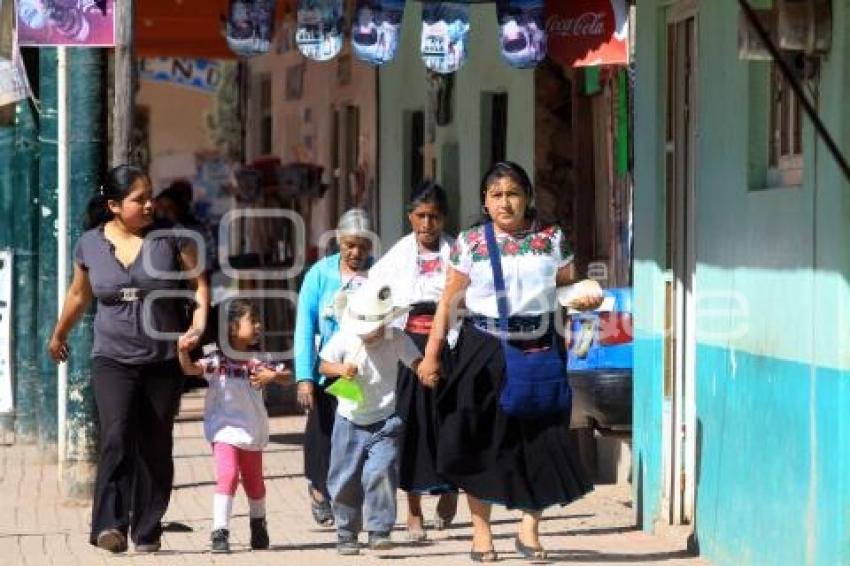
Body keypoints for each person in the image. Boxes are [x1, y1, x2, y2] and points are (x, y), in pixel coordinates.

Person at [416, 161, 604, 562]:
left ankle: (529, 529)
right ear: (485, 202)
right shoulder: (470, 244)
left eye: (514, 194)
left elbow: (568, 287)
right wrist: (431, 355)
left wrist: (586, 297)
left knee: (540, 434)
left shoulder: (552, 240)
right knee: (475, 435)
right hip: (481, 348)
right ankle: (481, 533)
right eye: (496, 195)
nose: (506, 202)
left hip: (538, 346)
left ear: (528, 198)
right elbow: (449, 301)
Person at [48, 165, 209, 554]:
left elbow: (200, 284)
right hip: (112, 358)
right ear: (115, 205)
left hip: (162, 359)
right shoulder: (89, 243)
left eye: (150, 195)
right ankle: (110, 526)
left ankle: (148, 528)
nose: (149, 204)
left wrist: (199, 324)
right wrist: (59, 334)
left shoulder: (171, 240)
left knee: (155, 443)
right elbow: (77, 294)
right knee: (116, 436)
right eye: (139, 199)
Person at [368, 180, 458, 541]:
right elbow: (375, 295)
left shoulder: (459, 253)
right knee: (410, 427)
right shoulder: (396, 257)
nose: (427, 224)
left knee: (449, 420)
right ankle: (414, 511)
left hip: (450, 343)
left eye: (434, 217)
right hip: (407, 347)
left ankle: (450, 487)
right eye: (420, 216)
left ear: (443, 218)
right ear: (410, 217)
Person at [177, 299, 293, 553]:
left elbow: (287, 376)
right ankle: (220, 531)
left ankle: (258, 522)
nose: (258, 325)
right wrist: (183, 351)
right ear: (231, 328)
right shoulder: (215, 357)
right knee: (228, 475)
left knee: (254, 482)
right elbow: (190, 369)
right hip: (223, 430)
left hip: (252, 430)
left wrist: (273, 376)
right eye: (252, 321)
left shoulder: (260, 358)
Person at [318, 283, 422, 555]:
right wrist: (340, 369)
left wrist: (426, 371)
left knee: (381, 470)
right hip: (348, 419)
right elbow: (324, 365)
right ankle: (346, 531)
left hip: (386, 419)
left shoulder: (396, 337)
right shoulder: (344, 337)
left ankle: (379, 529)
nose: (368, 334)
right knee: (344, 478)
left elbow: (417, 362)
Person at [294, 208, 374, 526]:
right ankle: (318, 489)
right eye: (349, 245)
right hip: (326, 369)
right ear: (339, 241)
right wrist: (303, 378)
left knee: (360, 434)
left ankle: (350, 497)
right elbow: (304, 326)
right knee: (322, 432)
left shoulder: (377, 275)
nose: (356, 252)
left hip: (363, 370)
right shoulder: (319, 275)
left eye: (363, 246)